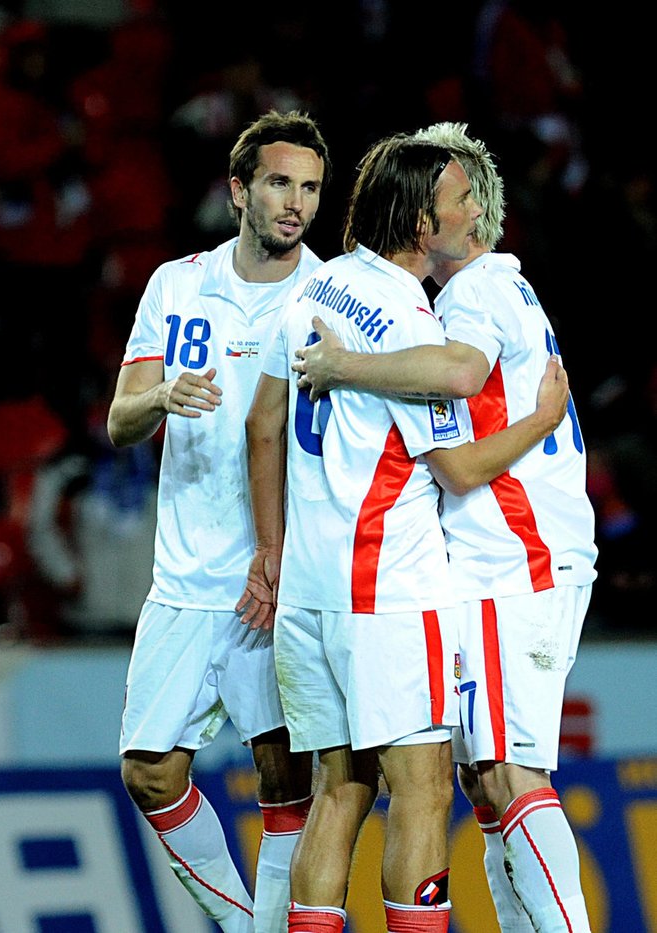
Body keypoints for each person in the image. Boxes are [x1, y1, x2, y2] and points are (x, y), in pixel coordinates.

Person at [240, 132, 569, 933]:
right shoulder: (412, 321)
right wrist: (540, 420)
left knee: (336, 789)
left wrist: (272, 554)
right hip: (388, 586)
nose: (474, 212)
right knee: (421, 789)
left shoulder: (315, 287)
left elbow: (261, 425)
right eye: (460, 199)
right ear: (423, 223)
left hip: (309, 592)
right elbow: (457, 465)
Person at [106, 110, 330, 933]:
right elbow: (119, 418)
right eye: (279, 183)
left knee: (286, 777)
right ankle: (247, 925)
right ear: (239, 190)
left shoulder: (329, 294)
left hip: (277, 576)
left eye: (309, 187)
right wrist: (160, 396)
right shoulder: (176, 284)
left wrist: (289, 558)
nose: (295, 202)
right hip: (183, 576)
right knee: (149, 773)